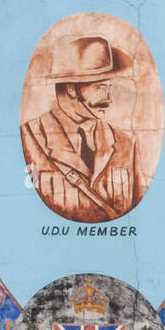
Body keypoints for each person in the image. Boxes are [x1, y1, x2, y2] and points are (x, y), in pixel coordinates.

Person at [21, 35, 143, 222]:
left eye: (110, 88)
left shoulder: (126, 143)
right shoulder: (29, 138)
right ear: (71, 89)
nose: (109, 99)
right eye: (100, 88)